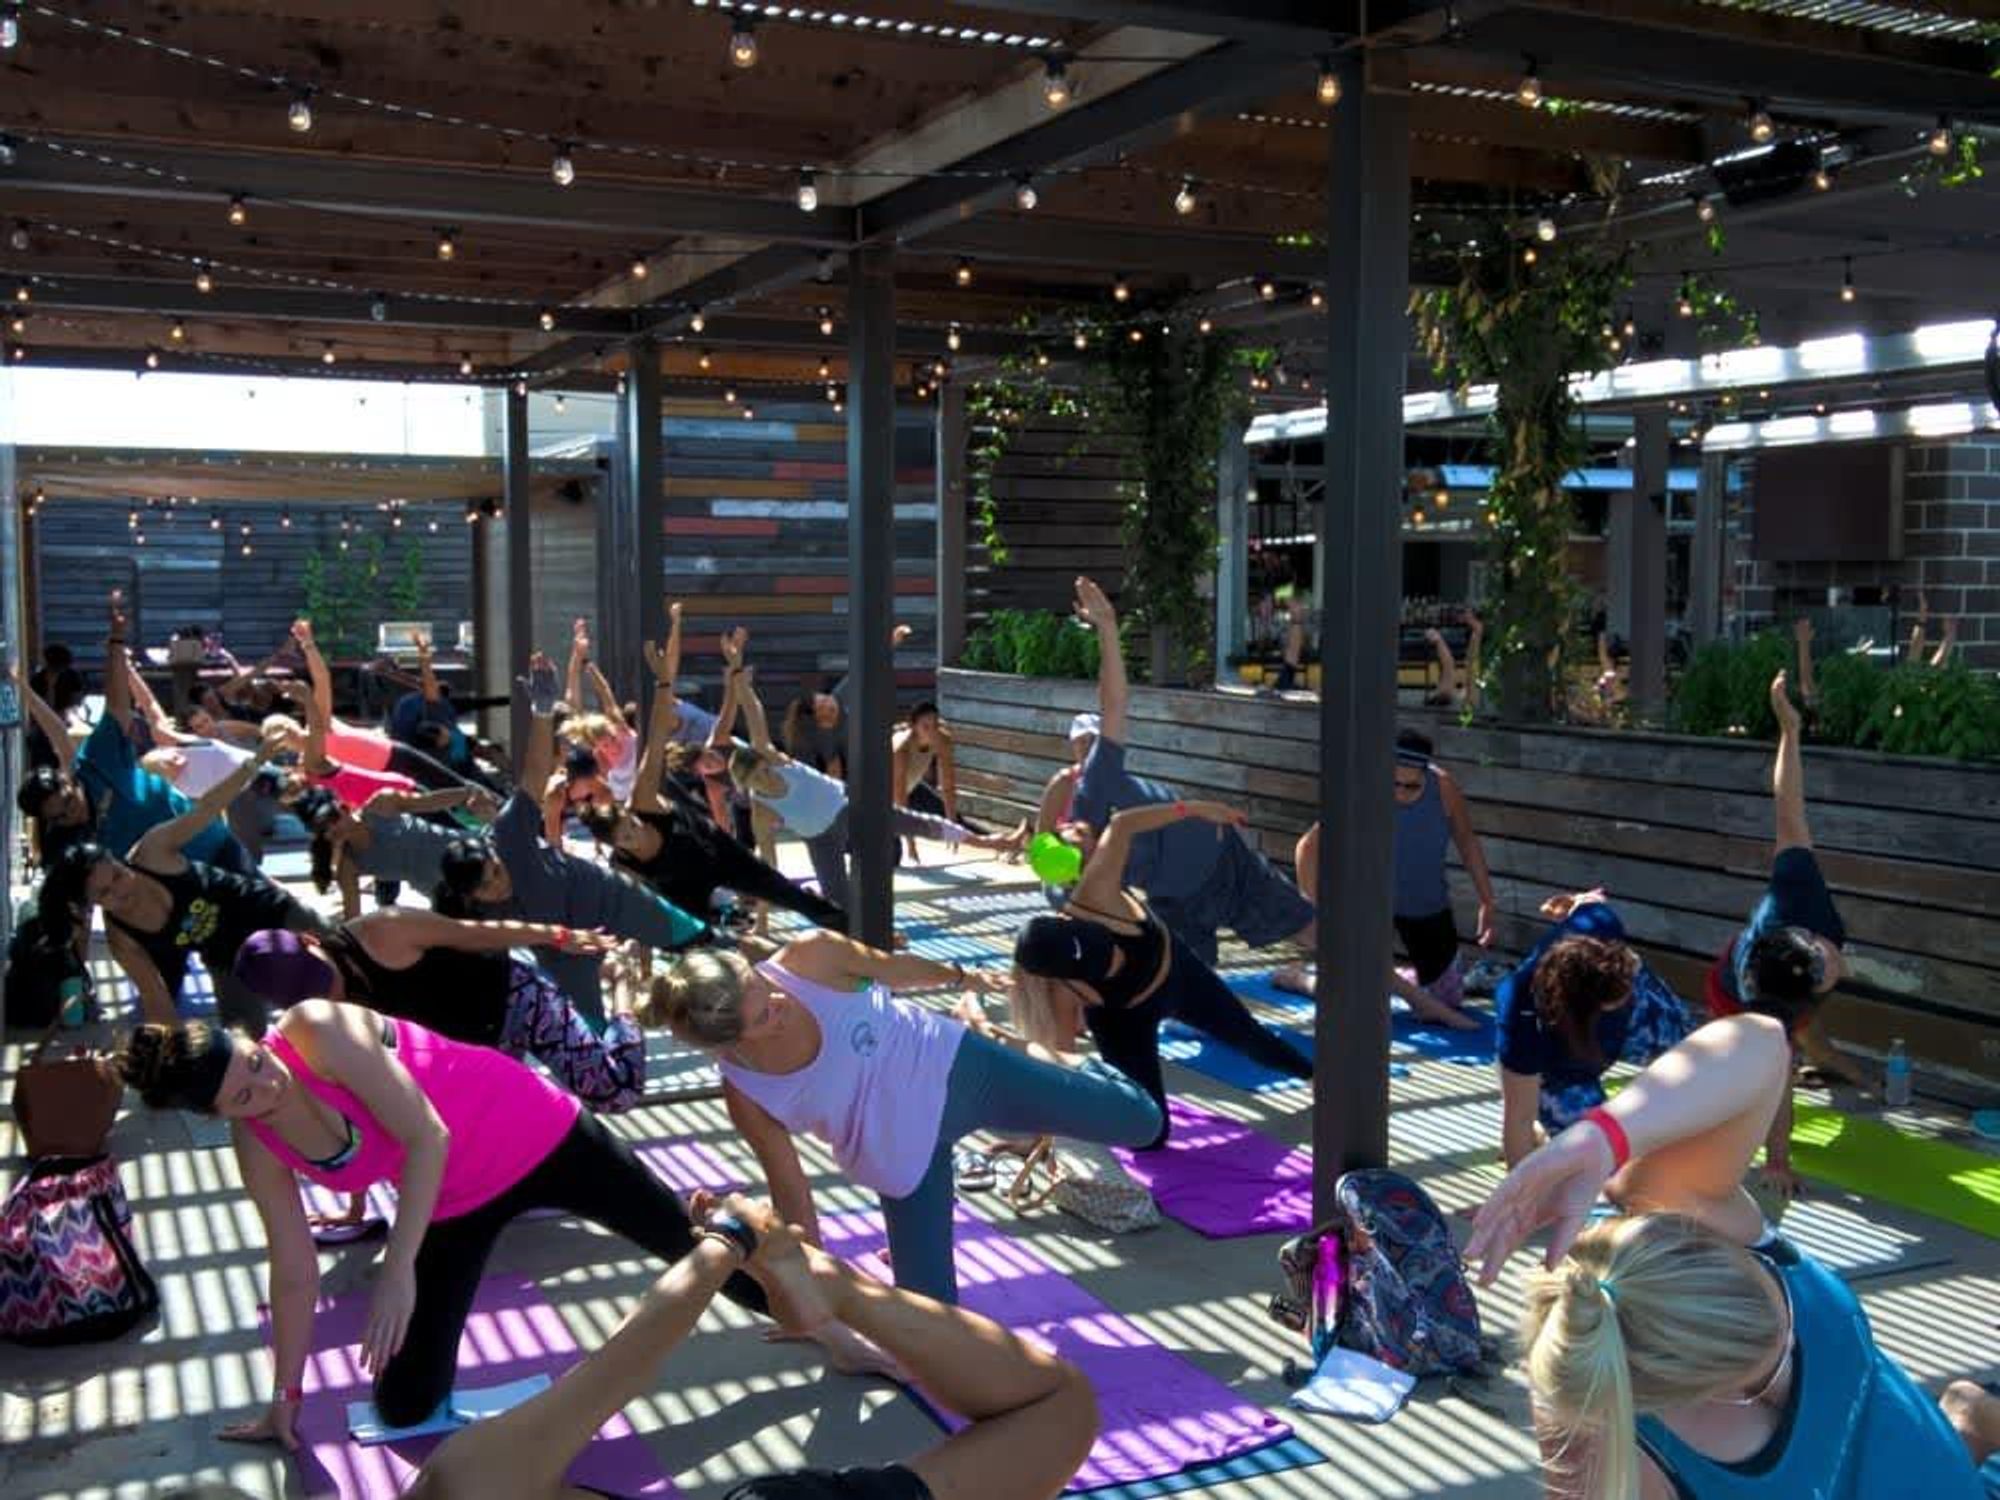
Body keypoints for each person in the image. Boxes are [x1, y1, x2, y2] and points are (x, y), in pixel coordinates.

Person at [111, 1006, 854, 1446]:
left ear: (246, 1037)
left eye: (252, 1063)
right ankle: (814, 1308)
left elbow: (426, 1134)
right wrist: (287, 1396)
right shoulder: (259, 1147)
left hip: (543, 1135)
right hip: (455, 1199)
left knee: (685, 1246)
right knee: (403, 1405)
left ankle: (837, 1325)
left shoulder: (316, 1029)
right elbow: (294, 1269)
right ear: (217, 1118)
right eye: (242, 1097)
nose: (264, 1084)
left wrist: (397, 1271)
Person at [1465, 1011, 1991, 1500]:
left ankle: (1970, 1418)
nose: (1787, 1359)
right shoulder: (1613, 1450)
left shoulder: (1684, 1211)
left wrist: (1603, 1138)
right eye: (1758, 1380)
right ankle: (1968, 1418)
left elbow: (1762, 1039)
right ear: (1689, 1389)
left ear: (1709, 1247)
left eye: (1786, 1333)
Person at [406, 1193, 1098, 1500]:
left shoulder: (467, 1481)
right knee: (1056, 1404)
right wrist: (729, 1241)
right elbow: (621, 1363)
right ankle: (845, 1294)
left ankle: (840, 1293)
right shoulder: (466, 1482)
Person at [643, 932, 1161, 1305]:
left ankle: (1049, 1058)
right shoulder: (746, 1093)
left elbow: (896, 969)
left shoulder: (812, 955)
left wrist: (962, 976)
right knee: (934, 1316)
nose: (778, 1000)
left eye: (761, 983)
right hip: (902, 1160)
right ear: (732, 1042)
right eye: (763, 1016)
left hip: (957, 1069)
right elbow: (792, 1193)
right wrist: (807, 1297)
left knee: (1143, 1121)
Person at [1007, 797, 1312, 1146]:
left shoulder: (1095, 892)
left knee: (1254, 1041)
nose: (1073, 824)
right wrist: (1041, 1140)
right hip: (1124, 1020)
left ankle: (1316, 1076)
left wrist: (1198, 809)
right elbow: (1063, 1064)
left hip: (1181, 977)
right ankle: (1114, 1101)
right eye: (1070, 833)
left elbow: (1122, 823)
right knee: (1152, 1134)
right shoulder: (1063, 981)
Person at [1046, 577, 1314, 967]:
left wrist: (1107, 627)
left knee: (1309, 930)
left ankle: (1397, 989)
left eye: (1066, 833)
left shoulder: (1095, 786)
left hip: (1221, 862)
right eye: (1077, 854)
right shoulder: (1095, 875)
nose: (1075, 834)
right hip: (1174, 900)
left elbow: (1114, 704)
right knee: (1186, 981)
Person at [434, 653, 710, 1026]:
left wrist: (542, 710)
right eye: (487, 887)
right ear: (472, 898)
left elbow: (533, 775)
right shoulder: (474, 916)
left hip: (607, 897)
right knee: (587, 1030)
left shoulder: (508, 835)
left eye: (496, 871)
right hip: (564, 953)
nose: (500, 883)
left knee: (698, 939)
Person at [1705, 670, 1867, 1199]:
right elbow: (1777, 1092)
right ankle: (1819, 1053)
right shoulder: (1767, 1015)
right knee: (1745, 1077)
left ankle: (1824, 1052)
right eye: (1827, 970)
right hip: (1729, 993)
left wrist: (1790, 732)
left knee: (1806, 1045)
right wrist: (1777, 1161)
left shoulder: (1795, 894)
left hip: (1769, 975)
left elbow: (1787, 808)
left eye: (1822, 954)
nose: (1833, 958)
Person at [583, 612, 847, 935]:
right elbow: (719, 816)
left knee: (780, 885)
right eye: (706, 766)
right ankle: (734, 916)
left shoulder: (711, 744)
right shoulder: (708, 787)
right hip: (710, 852)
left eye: (632, 824)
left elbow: (699, 718)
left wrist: (691, 677)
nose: (711, 764)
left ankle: (819, 915)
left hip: (734, 830)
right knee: (712, 903)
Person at [39, 733, 327, 1027]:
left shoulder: (151, 851)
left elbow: (209, 807)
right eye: (105, 893)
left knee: (338, 956)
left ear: (118, 861)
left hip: (268, 909)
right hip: (225, 955)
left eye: (117, 875)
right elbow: (157, 1002)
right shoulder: (121, 938)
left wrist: (255, 761)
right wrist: (169, 1048)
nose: (121, 890)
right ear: (93, 904)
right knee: (244, 1036)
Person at [720, 631, 1019, 913]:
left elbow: (753, 709)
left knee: (914, 825)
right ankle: (826, 896)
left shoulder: (775, 756)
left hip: (848, 804)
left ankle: (993, 841)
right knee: (838, 900)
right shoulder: (766, 801)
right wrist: (762, 921)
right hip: (820, 837)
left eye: (765, 771)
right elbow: (770, 864)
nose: (768, 778)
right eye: (759, 780)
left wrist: (736, 668)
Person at [232, 913, 645, 1114]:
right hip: (469, 1054)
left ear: (310, 941)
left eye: (321, 979)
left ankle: (622, 981)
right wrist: (356, 1208)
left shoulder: (383, 931)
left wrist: (559, 936)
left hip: (517, 999)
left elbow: (477, 933)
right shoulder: (312, 1022)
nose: (330, 996)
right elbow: (350, 1103)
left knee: (615, 1095)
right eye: (311, 997)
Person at [17, 592, 255, 875]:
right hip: (173, 880)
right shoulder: (80, 840)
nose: (72, 813)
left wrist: (116, 644)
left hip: (211, 845)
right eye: (61, 816)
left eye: (68, 803)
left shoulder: (98, 763)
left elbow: (77, 726)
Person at [1276, 728, 1493, 1028]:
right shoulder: (1362, 789)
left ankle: (1395, 978)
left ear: (1425, 774)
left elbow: (1467, 842)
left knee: (1448, 999)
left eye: (1411, 786)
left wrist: (1487, 901)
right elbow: (1307, 848)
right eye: (1394, 784)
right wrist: (1314, 910)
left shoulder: (1444, 788)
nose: (1401, 793)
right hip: (1370, 904)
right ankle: (1300, 978)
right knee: (1352, 998)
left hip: (1424, 903)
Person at [1495, 890, 1693, 1166]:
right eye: (1621, 998)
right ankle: (1553, 1124)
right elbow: (1518, 1118)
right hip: (1563, 1069)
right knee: (1602, 1157)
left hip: (1607, 1017)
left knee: (1694, 1056)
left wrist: (1572, 902)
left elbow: (1591, 902)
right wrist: (1519, 1191)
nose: (1631, 996)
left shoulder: (1599, 928)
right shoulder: (1523, 1017)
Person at [293, 784, 489, 920]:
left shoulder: (381, 804)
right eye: (321, 829)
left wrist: (468, 793)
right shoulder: (349, 866)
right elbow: (353, 919)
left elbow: (429, 801)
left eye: (332, 818)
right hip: (453, 895)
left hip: (477, 853)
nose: (331, 829)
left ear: (343, 808)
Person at [560, 616, 640, 803]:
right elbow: (572, 697)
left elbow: (605, 693)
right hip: (622, 805)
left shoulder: (625, 734)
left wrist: (586, 661)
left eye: (612, 738)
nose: (612, 746)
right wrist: (576, 658)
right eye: (605, 744)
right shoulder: (599, 756)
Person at [893, 701, 982, 863]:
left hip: (912, 789)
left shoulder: (942, 740)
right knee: (892, 856)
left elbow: (948, 784)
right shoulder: (901, 748)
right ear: (913, 727)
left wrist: (952, 826)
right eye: (926, 727)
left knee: (956, 820)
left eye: (935, 725)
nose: (932, 732)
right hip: (883, 798)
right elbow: (899, 798)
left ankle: (1007, 843)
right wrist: (911, 846)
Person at [1032, 711, 1100, 838]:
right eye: (1082, 741)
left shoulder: (1112, 781)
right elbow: (1042, 835)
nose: (1088, 747)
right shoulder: (1064, 781)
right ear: (1073, 745)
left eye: (1093, 741)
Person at [26, 641, 85, 769]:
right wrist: (50, 686)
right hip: (45, 726)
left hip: (67, 721)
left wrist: (69, 713)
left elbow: (77, 701)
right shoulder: (38, 680)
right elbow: (43, 708)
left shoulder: (72, 676)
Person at [1422, 611, 1482, 711]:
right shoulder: (1475, 631)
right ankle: (1448, 695)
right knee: (1452, 665)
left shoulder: (1476, 631)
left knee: (1452, 665)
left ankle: (1446, 695)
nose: (1464, 617)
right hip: (1455, 687)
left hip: (1455, 688)